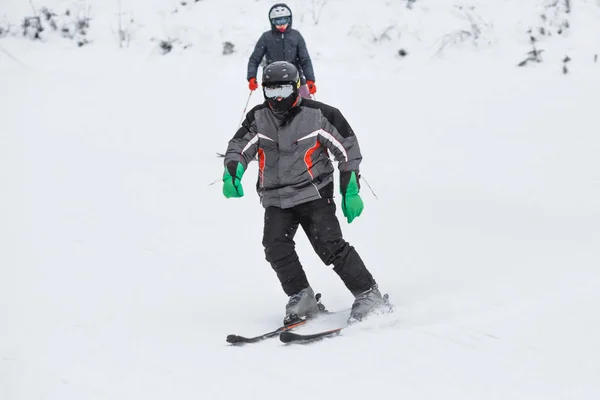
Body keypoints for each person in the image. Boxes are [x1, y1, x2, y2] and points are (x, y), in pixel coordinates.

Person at [223, 61, 390, 325]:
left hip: (314, 193)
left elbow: (347, 149)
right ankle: (301, 295)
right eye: (271, 91)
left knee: (329, 246)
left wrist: (350, 189)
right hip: (276, 197)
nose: (277, 97)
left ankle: (368, 293)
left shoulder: (319, 115)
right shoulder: (258, 118)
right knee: (275, 246)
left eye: (284, 89)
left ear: (297, 87)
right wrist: (232, 172)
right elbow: (239, 147)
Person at [247, 3, 317, 100]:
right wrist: (251, 77)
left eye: (284, 20)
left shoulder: (296, 36)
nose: (282, 25)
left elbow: (305, 60)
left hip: (296, 80)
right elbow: (254, 59)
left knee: (305, 107)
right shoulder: (266, 37)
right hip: (273, 82)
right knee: (275, 110)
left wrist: (310, 79)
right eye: (278, 22)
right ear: (272, 22)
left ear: (290, 19)